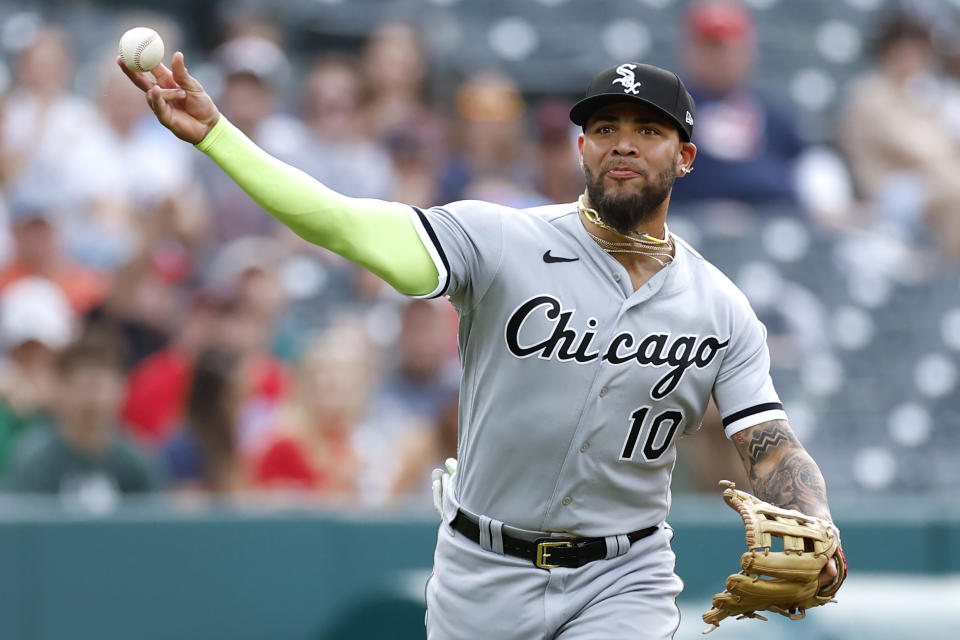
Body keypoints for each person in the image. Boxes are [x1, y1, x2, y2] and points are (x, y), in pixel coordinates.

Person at [119, 52, 843, 639]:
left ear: (685, 156)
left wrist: (815, 516)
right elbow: (342, 223)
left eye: (648, 130)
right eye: (606, 125)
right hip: (481, 568)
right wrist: (219, 136)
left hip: (626, 574)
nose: (624, 140)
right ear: (581, 145)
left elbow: (768, 441)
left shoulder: (720, 308)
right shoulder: (501, 241)